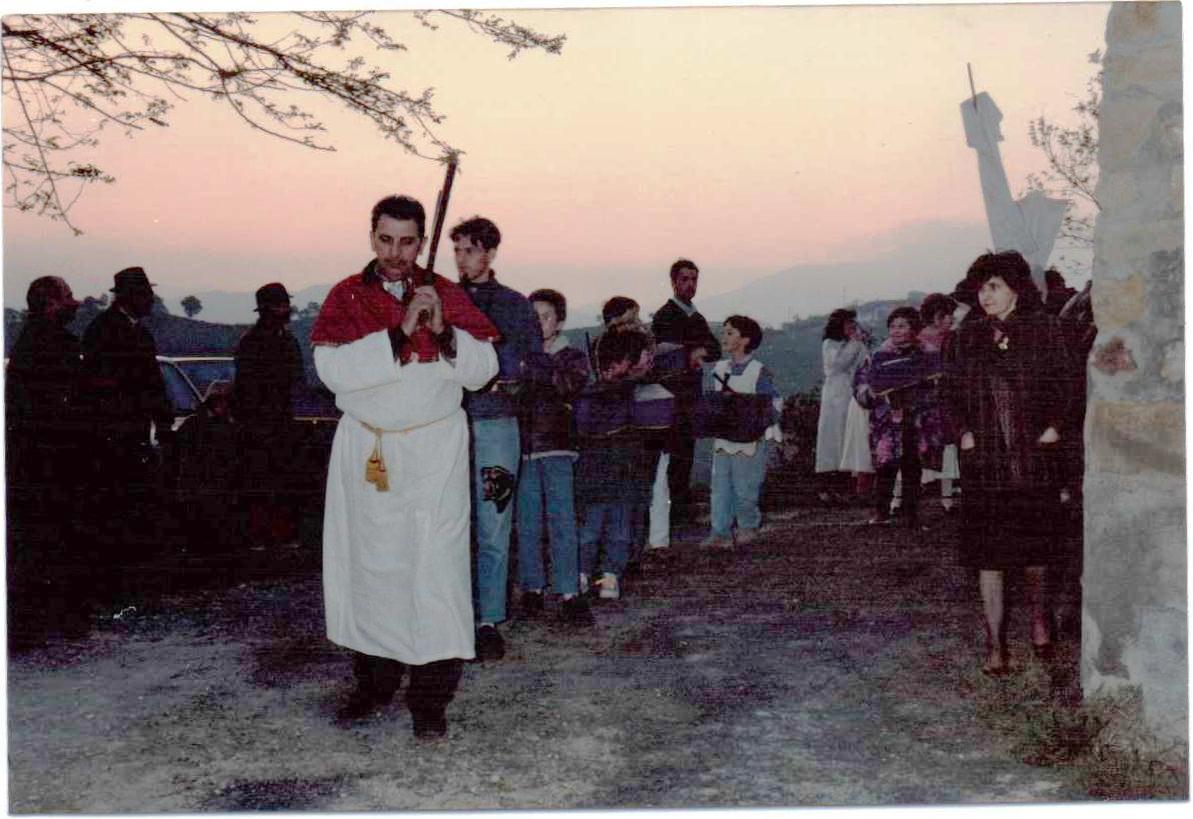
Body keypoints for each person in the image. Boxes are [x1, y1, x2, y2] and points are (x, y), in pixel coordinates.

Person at [311, 194, 499, 737]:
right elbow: (333, 371)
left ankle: (430, 702)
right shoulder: (346, 295)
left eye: (408, 241)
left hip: (432, 455)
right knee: (373, 572)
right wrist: (396, 334)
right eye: (386, 239)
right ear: (372, 237)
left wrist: (440, 330)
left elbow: (482, 370)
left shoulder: (443, 293)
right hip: (368, 451)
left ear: (421, 242)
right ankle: (373, 685)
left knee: (434, 572)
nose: (396, 253)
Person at [945, 251, 1071, 675]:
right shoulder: (965, 336)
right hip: (985, 464)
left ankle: (1040, 624)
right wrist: (962, 431)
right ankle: (994, 645)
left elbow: (1067, 386)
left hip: (1033, 461)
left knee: (1036, 551)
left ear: (1016, 288)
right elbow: (950, 393)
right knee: (989, 556)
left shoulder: (1045, 330)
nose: (986, 296)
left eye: (994, 287)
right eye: (981, 289)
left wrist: (1054, 426)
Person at [451, 216, 543, 662]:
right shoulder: (440, 300)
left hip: (498, 426)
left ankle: (487, 619)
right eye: (457, 250)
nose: (461, 259)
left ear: (489, 253)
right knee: (449, 524)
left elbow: (534, 366)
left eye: (468, 250)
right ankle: (450, 618)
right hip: (446, 426)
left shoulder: (514, 305)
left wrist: (505, 378)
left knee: (493, 524)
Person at [5, 276, 90, 645]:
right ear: (50, 304)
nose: (73, 304)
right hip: (55, 456)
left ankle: (34, 622)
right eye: (67, 298)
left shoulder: (27, 342)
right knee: (55, 537)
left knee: (35, 540)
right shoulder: (55, 344)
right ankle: (54, 621)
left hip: (33, 456)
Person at [80, 266, 175, 574]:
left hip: (131, 430)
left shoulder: (134, 332)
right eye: (146, 294)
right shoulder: (104, 331)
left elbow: (153, 384)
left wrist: (161, 422)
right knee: (117, 498)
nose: (151, 299)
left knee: (133, 498)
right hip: (113, 431)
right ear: (130, 297)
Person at [515, 288, 594, 626]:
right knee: (528, 521)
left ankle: (568, 592)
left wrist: (533, 366)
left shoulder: (571, 355)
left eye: (545, 316)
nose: (538, 323)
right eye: (532, 317)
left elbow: (568, 385)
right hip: (524, 449)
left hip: (558, 447)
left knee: (562, 521)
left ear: (559, 322)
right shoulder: (523, 353)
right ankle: (532, 586)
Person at [574, 323, 656, 601]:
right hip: (601, 472)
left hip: (623, 472)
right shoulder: (598, 394)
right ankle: (584, 573)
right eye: (642, 357)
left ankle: (610, 574)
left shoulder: (633, 390)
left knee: (617, 528)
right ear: (622, 361)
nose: (647, 362)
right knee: (594, 528)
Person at [853, 306, 945, 529]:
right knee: (886, 467)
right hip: (887, 422)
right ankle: (881, 513)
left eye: (902, 326)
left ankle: (911, 514)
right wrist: (876, 394)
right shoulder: (878, 356)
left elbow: (940, 384)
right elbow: (861, 385)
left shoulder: (928, 354)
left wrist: (922, 388)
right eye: (893, 326)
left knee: (913, 467)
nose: (896, 330)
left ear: (914, 329)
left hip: (917, 419)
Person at [234, 282, 304, 550]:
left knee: (283, 482)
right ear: (265, 310)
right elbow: (246, 389)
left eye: (286, 304)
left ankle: (282, 536)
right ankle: (258, 538)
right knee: (259, 483)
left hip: (282, 422)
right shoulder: (251, 343)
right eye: (279, 305)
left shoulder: (287, 340)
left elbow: (297, 381)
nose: (285, 309)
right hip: (258, 424)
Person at [651, 259, 721, 525]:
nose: (690, 284)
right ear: (674, 282)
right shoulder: (665, 316)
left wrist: (698, 350)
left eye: (694, 279)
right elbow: (664, 352)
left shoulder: (696, 316)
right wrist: (692, 349)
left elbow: (714, 348)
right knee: (672, 454)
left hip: (690, 396)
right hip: (670, 397)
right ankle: (669, 513)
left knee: (686, 452)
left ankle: (680, 509)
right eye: (685, 279)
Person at [703, 315, 781, 549]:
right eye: (724, 332)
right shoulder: (718, 369)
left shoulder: (758, 371)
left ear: (745, 340)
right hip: (724, 437)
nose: (724, 337)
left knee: (746, 485)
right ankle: (720, 531)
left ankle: (748, 527)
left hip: (748, 440)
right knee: (720, 485)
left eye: (730, 333)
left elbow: (774, 403)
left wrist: (760, 424)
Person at [904, 293, 960, 513]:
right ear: (938, 316)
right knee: (939, 447)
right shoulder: (931, 340)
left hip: (931, 402)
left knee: (938, 449)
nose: (951, 320)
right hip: (932, 402)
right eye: (947, 315)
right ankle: (942, 500)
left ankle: (905, 501)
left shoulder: (929, 339)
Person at [814, 308, 869, 505]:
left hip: (852, 394)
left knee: (848, 437)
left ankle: (848, 486)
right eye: (849, 324)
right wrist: (855, 342)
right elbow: (838, 364)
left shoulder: (855, 343)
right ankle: (827, 486)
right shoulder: (830, 344)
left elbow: (864, 362)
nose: (853, 328)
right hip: (835, 395)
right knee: (832, 439)